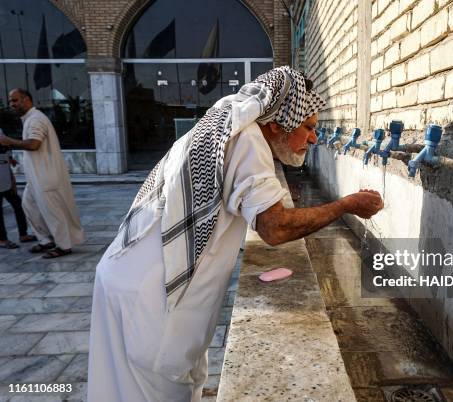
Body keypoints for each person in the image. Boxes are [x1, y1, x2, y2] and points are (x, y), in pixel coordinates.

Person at [86, 66, 383, 402]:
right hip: (149, 296)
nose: (314, 138)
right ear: (276, 124)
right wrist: (345, 205)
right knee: (156, 389)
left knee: (128, 387)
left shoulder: (227, 123)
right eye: (309, 127)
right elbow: (275, 226)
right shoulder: (248, 138)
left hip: (124, 274)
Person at [0, 89, 85, 258]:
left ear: (26, 100)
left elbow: (34, 144)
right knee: (28, 205)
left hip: (46, 175)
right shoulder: (30, 119)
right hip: (36, 177)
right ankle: (45, 240)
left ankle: (64, 245)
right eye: (11, 101)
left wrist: (9, 141)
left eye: (15, 100)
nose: (12, 104)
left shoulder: (36, 119)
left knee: (52, 211)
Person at [0, 128, 36, 249]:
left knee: (18, 205)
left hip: (5, 176)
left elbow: (5, 147)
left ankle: (23, 234)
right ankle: (2, 239)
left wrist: (10, 160)